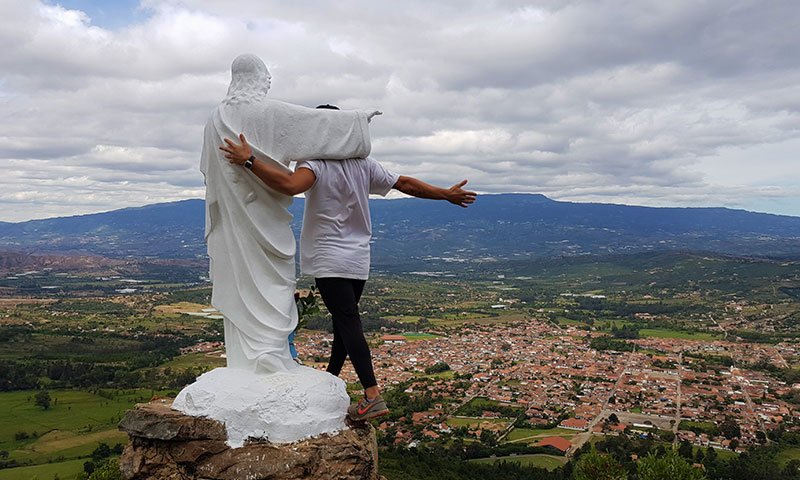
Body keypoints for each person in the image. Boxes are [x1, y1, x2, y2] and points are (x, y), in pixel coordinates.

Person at [219, 108, 476, 420]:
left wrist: (249, 161)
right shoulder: (363, 165)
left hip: (328, 258)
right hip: (358, 259)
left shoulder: (315, 164)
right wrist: (444, 195)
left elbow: (288, 185)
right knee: (345, 321)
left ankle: (372, 394)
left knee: (348, 321)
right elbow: (404, 183)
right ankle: (332, 376)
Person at [200, 54, 381, 375]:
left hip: (232, 220)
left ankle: (249, 360)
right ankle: (270, 356)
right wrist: (359, 120)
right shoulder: (268, 113)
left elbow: (208, 172)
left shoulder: (214, 120)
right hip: (265, 217)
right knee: (275, 283)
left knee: (242, 280)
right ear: (259, 79)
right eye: (266, 79)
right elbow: (317, 125)